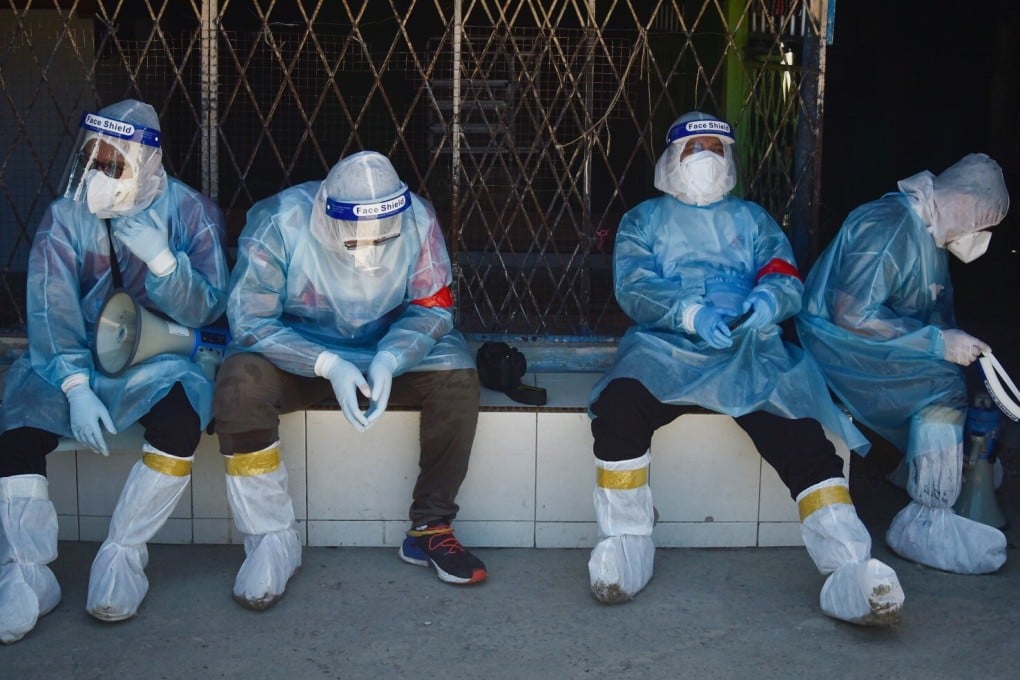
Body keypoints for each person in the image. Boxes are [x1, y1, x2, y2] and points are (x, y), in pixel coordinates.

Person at [586, 111, 904, 626]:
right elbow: (635, 285)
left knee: (800, 436)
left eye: (717, 146)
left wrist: (766, 303)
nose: (707, 157)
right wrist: (690, 312)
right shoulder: (642, 221)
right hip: (667, 348)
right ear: (672, 159)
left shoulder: (755, 220)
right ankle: (624, 540)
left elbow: (783, 274)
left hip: (747, 350)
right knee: (621, 409)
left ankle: (849, 562)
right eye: (696, 148)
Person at [213, 150, 486, 611]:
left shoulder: (417, 217)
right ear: (326, 216)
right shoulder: (281, 222)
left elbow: (433, 305)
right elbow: (250, 319)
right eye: (356, 239)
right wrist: (326, 363)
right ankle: (269, 539)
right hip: (297, 352)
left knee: (456, 375)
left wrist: (390, 357)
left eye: (383, 237)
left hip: (385, 347)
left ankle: (431, 528)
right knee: (240, 384)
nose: (371, 250)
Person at [0, 99, 230, 642]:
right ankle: (27, 574)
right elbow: (49, 307)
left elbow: (210, 307)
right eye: (91, 162)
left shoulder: (191, 212)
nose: (97, 176)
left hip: (156, 357)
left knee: (178, 424)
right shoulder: (67, 216)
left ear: (145, 162)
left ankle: (123, 555)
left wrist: (164, 263)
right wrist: (75, 386)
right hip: (74, 356)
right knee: (17, 431)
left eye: (112, 163)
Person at [795, 153, 1010, 575]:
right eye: (982, 225)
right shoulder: (889, 225)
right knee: (941, 385)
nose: (980, 236)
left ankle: (916, 470)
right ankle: (927, 520)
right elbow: (852, 316)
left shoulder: (930, 234)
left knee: (951, 373)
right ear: (962, 200)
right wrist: (937, 343)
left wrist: (954, 342)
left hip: (866, 340)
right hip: (835, 342)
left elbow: (931, 310)